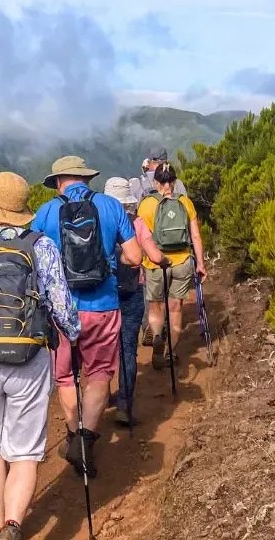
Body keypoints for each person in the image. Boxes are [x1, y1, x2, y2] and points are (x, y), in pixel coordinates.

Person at [0, 171, 82, 540]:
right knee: (24, 453)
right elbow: (62, 307)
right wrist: (73, 335)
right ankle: (13, 526)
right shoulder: (42, 246)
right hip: (32, 358)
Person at [31, 156, 141, 478]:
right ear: (86, 179)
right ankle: (86, 443)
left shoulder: (46, 212)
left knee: (65, 376)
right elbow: (135, 257)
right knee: (99, 375)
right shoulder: (110, 206)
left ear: (58, 181)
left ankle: (72, 434)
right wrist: (110, 254)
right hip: (104, 305)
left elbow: (33, 260)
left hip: (62, 310)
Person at [103, 176, 168, 427]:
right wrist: (164, 261)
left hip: (103, 294)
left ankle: (102, 393)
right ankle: (124, 405)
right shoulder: (137, 223)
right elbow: (151, 255)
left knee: (103, 348)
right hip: (131, 291)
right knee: (128, 349)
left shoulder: (98, 222)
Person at [137, 161, 206, 370]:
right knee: (175, 308)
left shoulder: (147, 204)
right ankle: (170, 352)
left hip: (156, 263)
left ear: (155, 182)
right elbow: (195, 235)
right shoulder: (185, 202)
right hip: (183, 261)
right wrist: (200, 264)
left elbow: (142, 238)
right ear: (174, 182)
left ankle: (157, 335)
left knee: (156, 306)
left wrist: (142, 264)